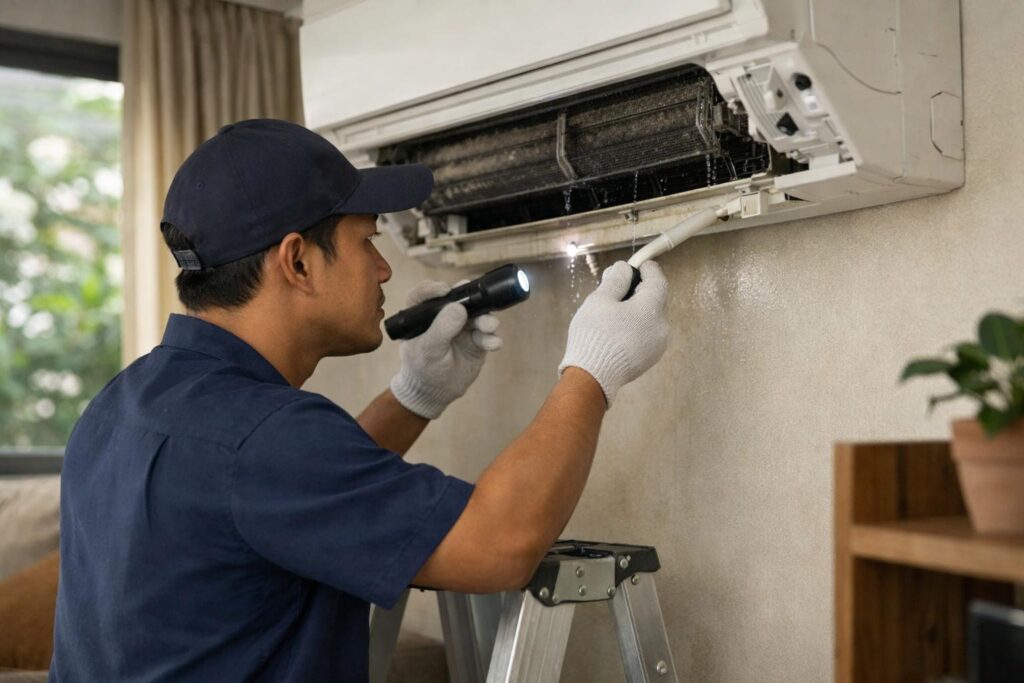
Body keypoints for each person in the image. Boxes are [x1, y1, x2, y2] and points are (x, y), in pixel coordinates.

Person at [49, 119, 669, 682]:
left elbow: (286, 502)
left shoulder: (120, 406)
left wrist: (415, 397)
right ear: (296, 261)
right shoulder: (266, 437)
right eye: (367, 242)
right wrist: (593, 367)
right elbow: (501, 545)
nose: (383, 271)